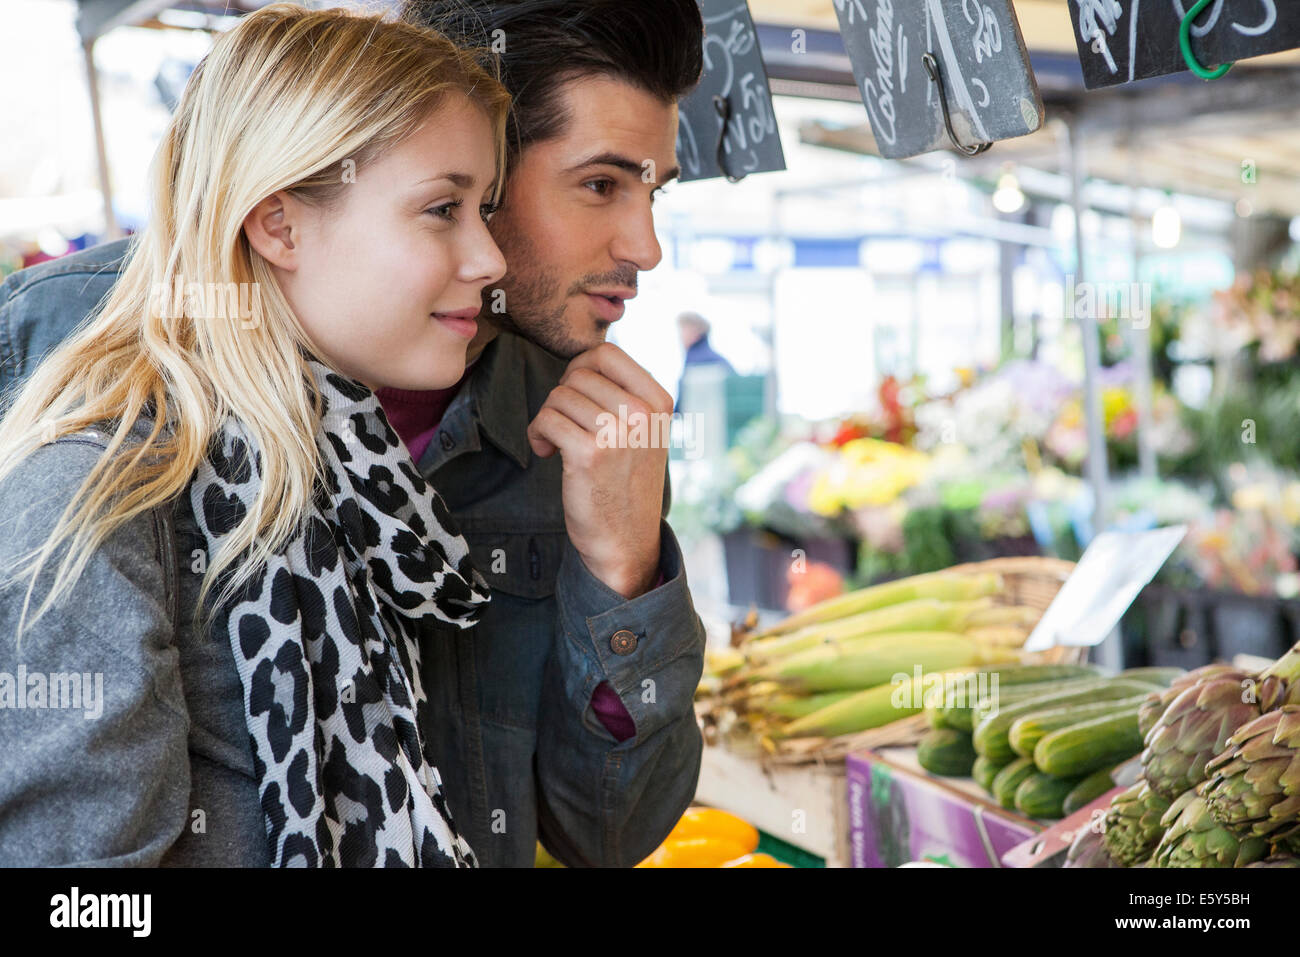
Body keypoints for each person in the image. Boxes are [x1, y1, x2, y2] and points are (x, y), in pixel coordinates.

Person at [0, 0, 708, 868]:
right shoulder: (86, 421)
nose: (646, 244)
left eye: (654, 189)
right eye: (600, 184)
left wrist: (624, 570)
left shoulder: (589, 433)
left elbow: (608, 836)